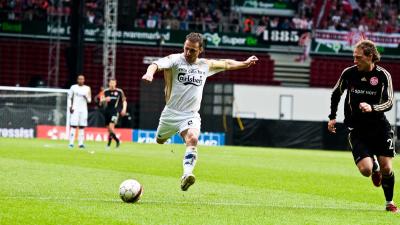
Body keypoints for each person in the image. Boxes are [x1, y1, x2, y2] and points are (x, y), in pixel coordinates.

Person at [141, 32, 258, 191]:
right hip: (170, 113)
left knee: (193, 138)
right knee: (160, 140)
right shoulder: (175, 59)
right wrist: (149, 73)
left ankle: (186, 174)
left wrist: (245, 63)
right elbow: (155, 64)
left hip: (190, 115)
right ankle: (175, 133)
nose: (188, 53)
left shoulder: (205, 65)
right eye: (186, 48)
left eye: (192, 50)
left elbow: (226, 63)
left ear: (200, 50)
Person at [328, 40, 398, 213]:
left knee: (387, 168)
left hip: (379, 128)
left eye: (358, 58)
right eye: (354, 57)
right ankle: (374, 168)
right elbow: (336, 93)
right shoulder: (349, 73)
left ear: (370, 56)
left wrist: (372, 107)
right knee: (366, 170)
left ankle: (389, 202)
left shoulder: (383, 75)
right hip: (357, 129)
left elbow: (389, 102)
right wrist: (332, 117)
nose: (354, 61)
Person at [101, 79, 127, 148]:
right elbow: (101, 100)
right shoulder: (105, 91)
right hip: (107, 111)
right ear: (109, 84)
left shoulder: (119, 91)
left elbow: (124, 101)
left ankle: (116, 141)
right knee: (108, 129)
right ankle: (111, 143)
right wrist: (105, 99)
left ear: (115, 84)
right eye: (111, 83)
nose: (112, 85)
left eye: (113, 83)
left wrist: (124, 109)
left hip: (115, 111)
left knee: (111, 126)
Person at [68, 75, 91, 148]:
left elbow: (89, 100)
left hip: (83, 110)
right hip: (75, 109)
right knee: (74, 126)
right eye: (79, 79)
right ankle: (71, 143)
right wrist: (70, 107)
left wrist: (86, 97)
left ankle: (80, 144)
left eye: (82, 79)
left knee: (82, 126)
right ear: (77, 80)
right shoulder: (73, 87)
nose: (81, 80)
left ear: (84, 80)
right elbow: (69, 98)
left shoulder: (87, 88)